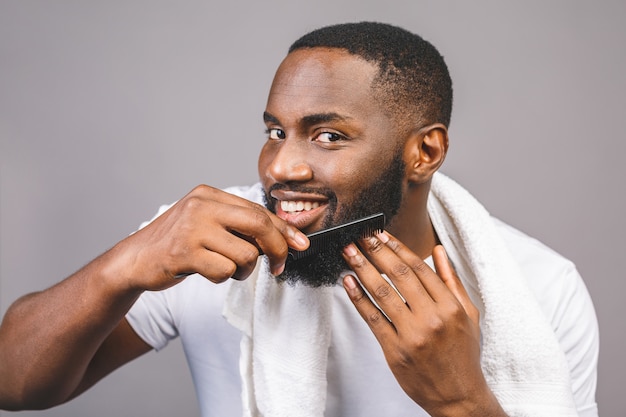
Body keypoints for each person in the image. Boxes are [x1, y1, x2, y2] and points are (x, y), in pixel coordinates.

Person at [0, 22, 598, 417]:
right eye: (275, 131)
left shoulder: (541, 287)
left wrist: (464, 401)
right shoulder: (201, 245)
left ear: (425, 152)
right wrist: (122, 267)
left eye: (329, 135)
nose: (280, 165)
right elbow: (13, 384)